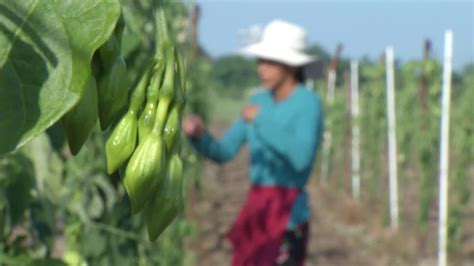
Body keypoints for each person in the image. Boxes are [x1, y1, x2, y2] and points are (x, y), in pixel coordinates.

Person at [182, 20, 324, 266]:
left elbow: (301, 158)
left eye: (270, 62)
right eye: (260, 61)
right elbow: (223, 151)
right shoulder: (258, 101)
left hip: (288, 213)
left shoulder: (308, 103)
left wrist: (261, 120)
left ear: (290, 65)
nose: (262, 69)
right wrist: (199, 136)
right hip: (256, 210)